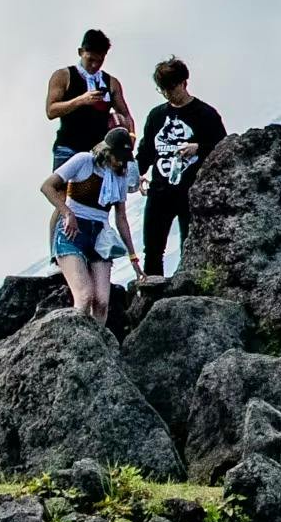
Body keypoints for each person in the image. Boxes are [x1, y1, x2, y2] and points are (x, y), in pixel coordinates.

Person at [134, 57, 226, 282]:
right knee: (153, 248)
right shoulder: (156, 116)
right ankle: (153, 293)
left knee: (190, 247)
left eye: (172, 88)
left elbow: (224, 148)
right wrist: (136, 175)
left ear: (184, 83)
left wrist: (199, 148)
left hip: (191, 192)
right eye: (163, 90)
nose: (168, 94)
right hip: (160, 190)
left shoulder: (205, 114)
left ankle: (188, 290)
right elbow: (146, 151)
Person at [43, 125, 140, 325]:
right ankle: (77, 338)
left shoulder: (121, 176)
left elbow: (121, 218)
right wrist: (67, 213)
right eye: (118, 157)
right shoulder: (83, 161)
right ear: (107, 151)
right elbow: (47, 187)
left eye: (124, 158)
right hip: (72, 231)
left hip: (100, 236)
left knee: (102, 301)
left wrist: (133, 257)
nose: (120, 162)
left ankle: (98, 340)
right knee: (85, 295)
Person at [44, 29, 126, 176]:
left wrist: (126, 142)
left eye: (100, 60)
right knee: (61, 189)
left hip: (100, 151)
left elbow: (125, 115)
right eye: (90, 60)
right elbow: (51, 111)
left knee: (104, 190)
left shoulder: (111, 83)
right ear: (81, 52)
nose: (95, 65)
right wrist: (81, 100)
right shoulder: (63, 76)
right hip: (68, 148)